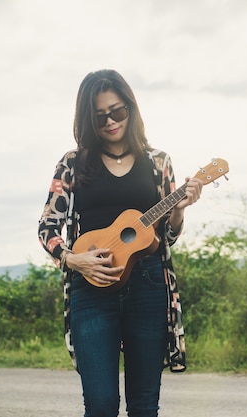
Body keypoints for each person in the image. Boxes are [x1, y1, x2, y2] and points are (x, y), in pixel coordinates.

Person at [38, 69, 203, 417]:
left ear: (131, 108)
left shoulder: (158, 163)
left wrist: (178, 211)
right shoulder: (72, 164)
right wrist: (74, 260)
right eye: (100, 117)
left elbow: (167, 238)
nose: (111, 121)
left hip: (148, 283)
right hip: (91, 287)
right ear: (87, 120)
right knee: (100, 406)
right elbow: (47, 226)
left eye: (118, 111)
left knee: (144, 406)